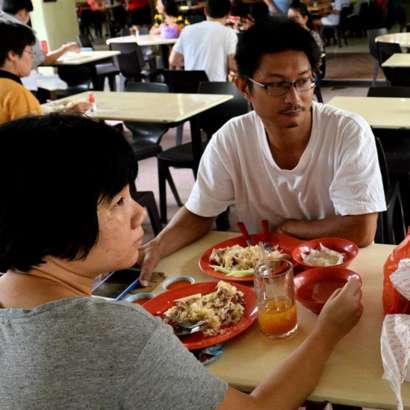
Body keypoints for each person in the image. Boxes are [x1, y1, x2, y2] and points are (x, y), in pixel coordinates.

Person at [0, 113, 363, 409]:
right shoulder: (116, 333)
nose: (140, 213)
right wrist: (328, 331)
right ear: (58, 222)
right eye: (118, 202)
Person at [139, 17, 386, 284]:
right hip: (262, 281)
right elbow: (200, 212)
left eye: (303, 81)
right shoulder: (231, 139)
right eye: (277, 85)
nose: (293, 98)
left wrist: (291, 228)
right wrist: (158, 245)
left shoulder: (347, 132)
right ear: (244, 88)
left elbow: (361, 229)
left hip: (331, 275)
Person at [0, 21, 88, 125]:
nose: (32, 57)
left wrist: (65, 113)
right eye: (30, 51)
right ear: (13, 54)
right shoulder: (16, 94)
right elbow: (37, 133)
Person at [169, 0, 237, 81]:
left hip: (191, 87)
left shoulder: (187, 30)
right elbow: (233, 65)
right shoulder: (229, 33)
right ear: (228, 14)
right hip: (217, 88)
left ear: (205, 11)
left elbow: (173, 61)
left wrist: (191, 59)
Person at [0, 0, 80, 68]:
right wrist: (65, 48)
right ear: (23, 12)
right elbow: (42, 61)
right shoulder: (24, 31)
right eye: (30, 51)